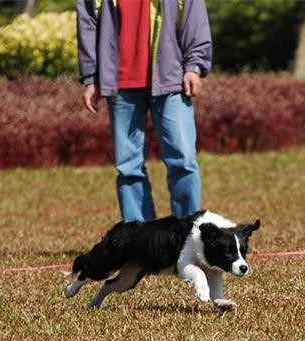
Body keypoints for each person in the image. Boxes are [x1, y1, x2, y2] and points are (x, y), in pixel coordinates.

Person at [76, 0, 212, 222]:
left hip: (171, 80)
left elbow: (194, 18)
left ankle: (187, 232)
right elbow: (87, 24)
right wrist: (91, 77)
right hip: (120, 85)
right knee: (128, 167)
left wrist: (194, 66)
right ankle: (139, 237)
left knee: (183, 161)